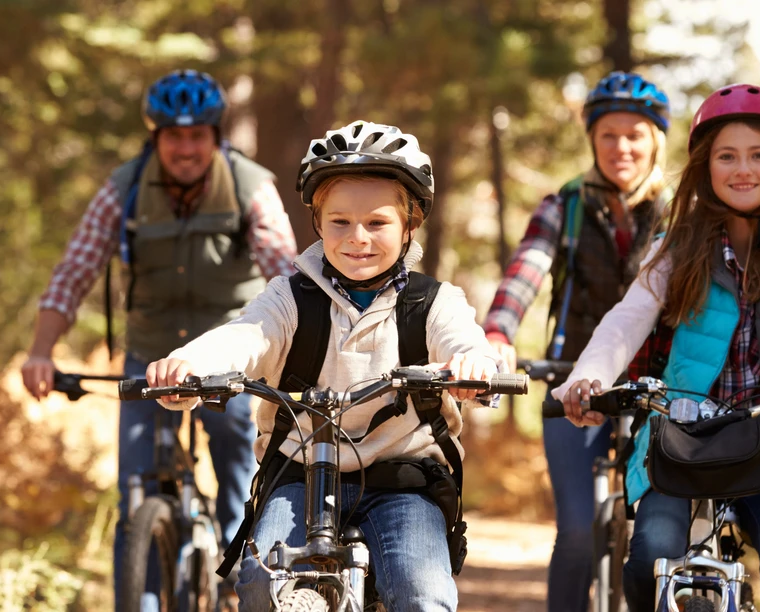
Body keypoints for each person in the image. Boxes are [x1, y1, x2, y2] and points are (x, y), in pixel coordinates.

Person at [147, 120, 502, 612]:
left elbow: (466, 343)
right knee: (260, 583)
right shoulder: (291, 297)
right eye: (340, 222)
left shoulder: (433, 303)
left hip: (402, 480)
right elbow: (249, 334)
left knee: (424, 595)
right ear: (318, 223)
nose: (358, 238)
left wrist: (475, 366)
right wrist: (190, 362)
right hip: (299, 474)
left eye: (377, 223)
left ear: (409, 227)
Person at [553, 84, 760, 612]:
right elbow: (625, 322)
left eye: (758, 155)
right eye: (727, 156)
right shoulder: (674, 250)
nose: (742, 168)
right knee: (648, 563)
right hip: (678, 450)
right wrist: (587, 378)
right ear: (706, 167)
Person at [20, 69, 298, 610]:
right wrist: (40, 351)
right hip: (149, 355)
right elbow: (73, 271)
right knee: (135, 497)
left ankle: (241, 584)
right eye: (174, 136)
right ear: (156, 139)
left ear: (216, 137)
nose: (187, 148)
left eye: (198, 136)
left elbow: (284, 271)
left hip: (228, 355)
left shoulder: (250, 186)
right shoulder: (123, 189)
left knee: (243, 479)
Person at [481, 70, 669, 611]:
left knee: (658, 536)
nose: (621, 147)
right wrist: (498, 333)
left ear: (655, 140)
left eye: (635, 134)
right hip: (571, 379)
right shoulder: (564, 205)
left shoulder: (682, 210)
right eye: (608, 135)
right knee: (577, 534)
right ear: (592, 139)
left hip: (660, 383)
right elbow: (526, 271)